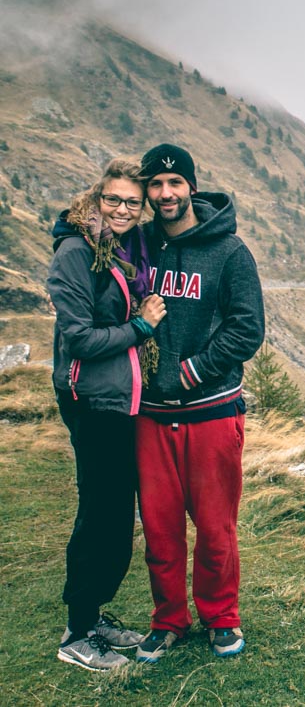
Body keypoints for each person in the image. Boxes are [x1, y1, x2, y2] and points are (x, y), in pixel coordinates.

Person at [132, 144, 264, 663]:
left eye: (175, 184)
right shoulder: (137, 246)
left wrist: (191, 370)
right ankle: (168, 621)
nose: (166, 194)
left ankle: (221, 618)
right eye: (156, 185)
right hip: (150, 417)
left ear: (191, 186)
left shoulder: (229, 252)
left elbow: (246, 328)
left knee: (214, 528)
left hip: (211, 410)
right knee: (160, 529)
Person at [47, 158, 165, 671]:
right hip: (92, 402)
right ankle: (76, 633)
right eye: (113, 199)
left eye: (131, 203)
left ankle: (93, 618)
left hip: (119, 402)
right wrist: (141, 328)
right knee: (100, 512)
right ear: (97, 199)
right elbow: (80, 339)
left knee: (118, 514)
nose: (121, 208)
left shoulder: (111, 250)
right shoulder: (76, 251)